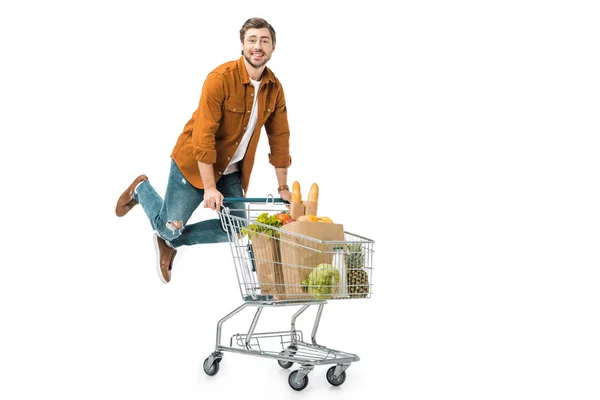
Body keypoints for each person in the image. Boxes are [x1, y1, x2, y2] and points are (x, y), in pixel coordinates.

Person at [115, 17, 292, 283]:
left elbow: (279, 137)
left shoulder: (274, 88)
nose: (258, 46)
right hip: (193, 165)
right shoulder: (220, 79)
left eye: (264, 41)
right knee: (168, 227)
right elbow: (204, 137)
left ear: (273, 47)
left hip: (232, 171)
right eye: (252, 40)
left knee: (235, 230)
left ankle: (169, 242)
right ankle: (142, 190)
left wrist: (283, 188)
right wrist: (210, 187)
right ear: (242, 45)